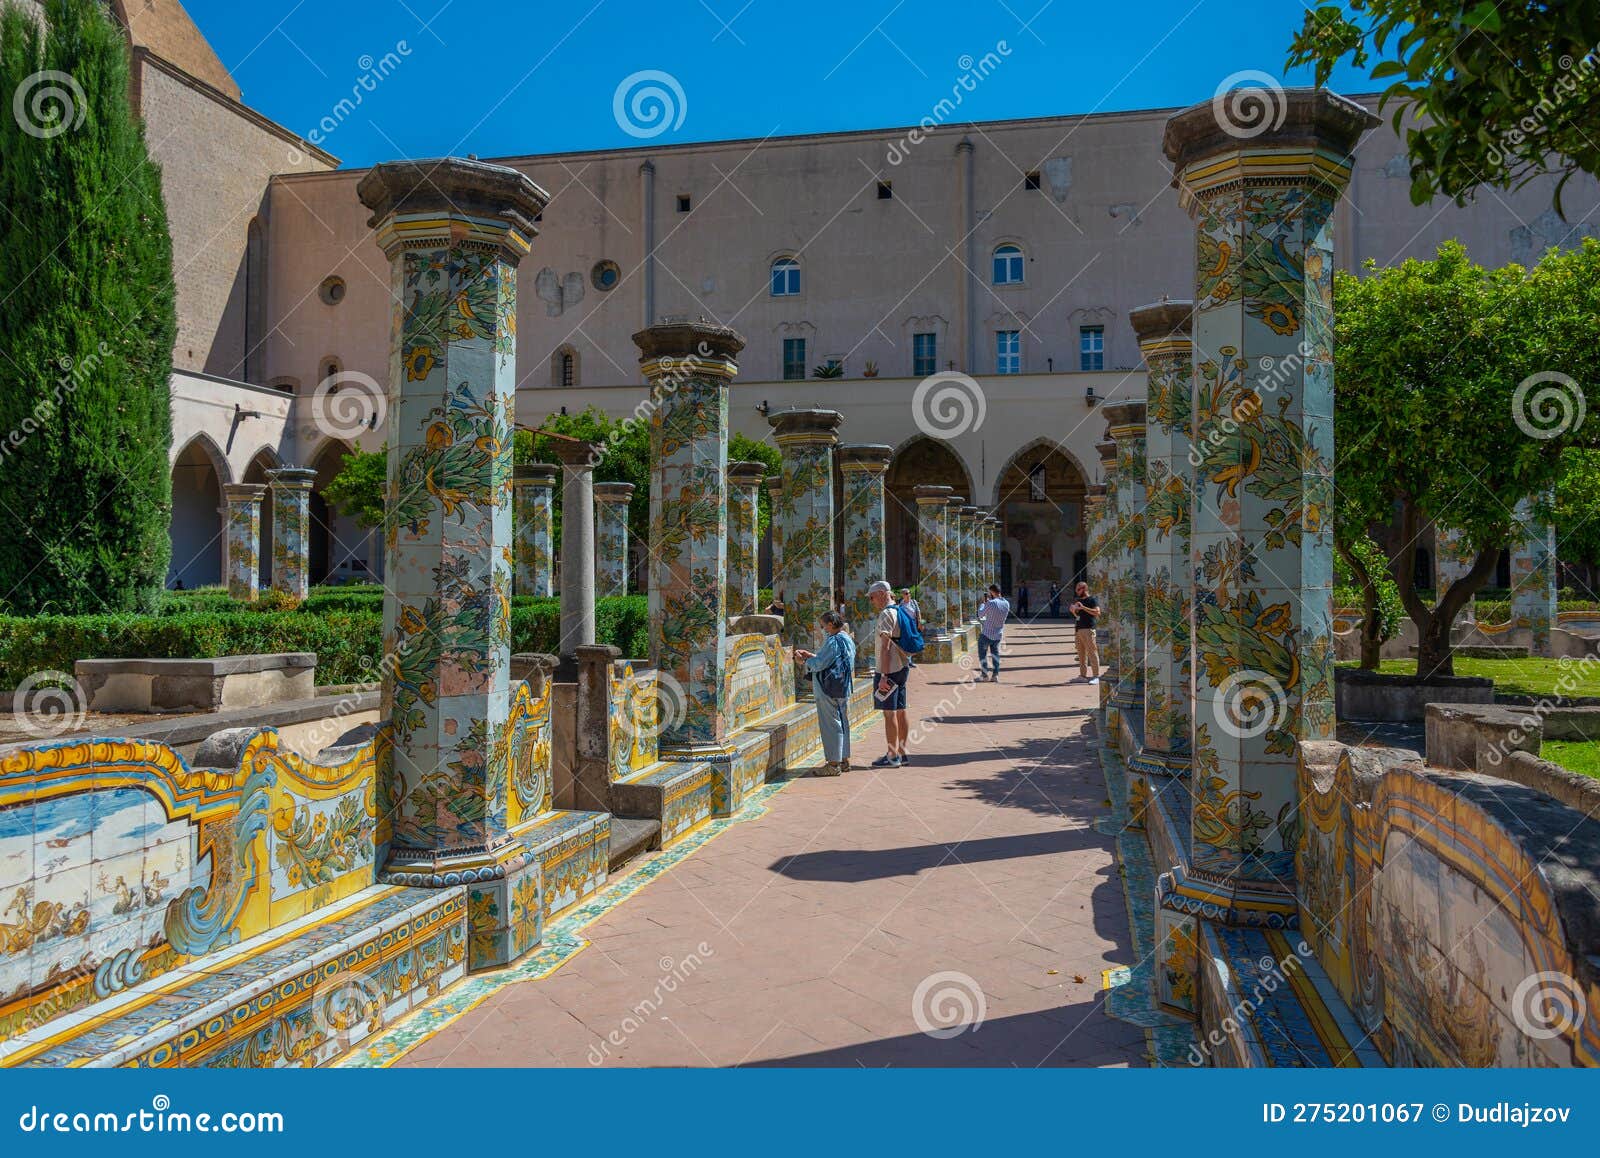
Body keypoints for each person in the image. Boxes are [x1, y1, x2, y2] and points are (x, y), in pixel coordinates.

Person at [794, 610, 856, 776]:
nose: (822, 629)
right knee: (842, 723)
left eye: (822, 625)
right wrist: (813, 656)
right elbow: (832, 660)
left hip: (829, 690)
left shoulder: (833, 640)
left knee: (831, 725)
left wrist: (804, 661)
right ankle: (843, 760)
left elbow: (820, 663)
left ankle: (833, 764)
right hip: (843, 688)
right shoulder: (847, 639)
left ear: (830, 624)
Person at [866, 579, 910, 767]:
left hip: (889, 670)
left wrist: (883, 675)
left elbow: (885, 647)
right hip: (902, 666)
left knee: (889, 713)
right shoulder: (900, 610)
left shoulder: (886, 614)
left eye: (873, 597)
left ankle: (892, 756)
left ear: (883, 593)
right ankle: (902, 752)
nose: (871, 601)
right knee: (901, 710)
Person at [1069, 580, 1102, 683]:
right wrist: (1073, 611)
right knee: (1081, 654)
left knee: (1092, 652)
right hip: (1079, 629)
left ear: (1084, 589)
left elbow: (1097, 612)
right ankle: (1082, 676)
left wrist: (1083, 607)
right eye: (1076, 590)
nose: (1077, 592)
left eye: (1078, 589)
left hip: (1088, 629)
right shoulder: (1078, 600)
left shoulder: (1092, 599)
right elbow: (1079, 616)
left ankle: (1096, 676)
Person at [976, 584, 1011, 682]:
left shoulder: (991, 603)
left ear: (992, 592)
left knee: (982, 654)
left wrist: (983, 604)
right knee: (995, 654)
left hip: (986, 633)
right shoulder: (1007, 603)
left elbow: (980, 614)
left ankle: (984, 675)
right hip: (998, 634)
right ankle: (995, 675)